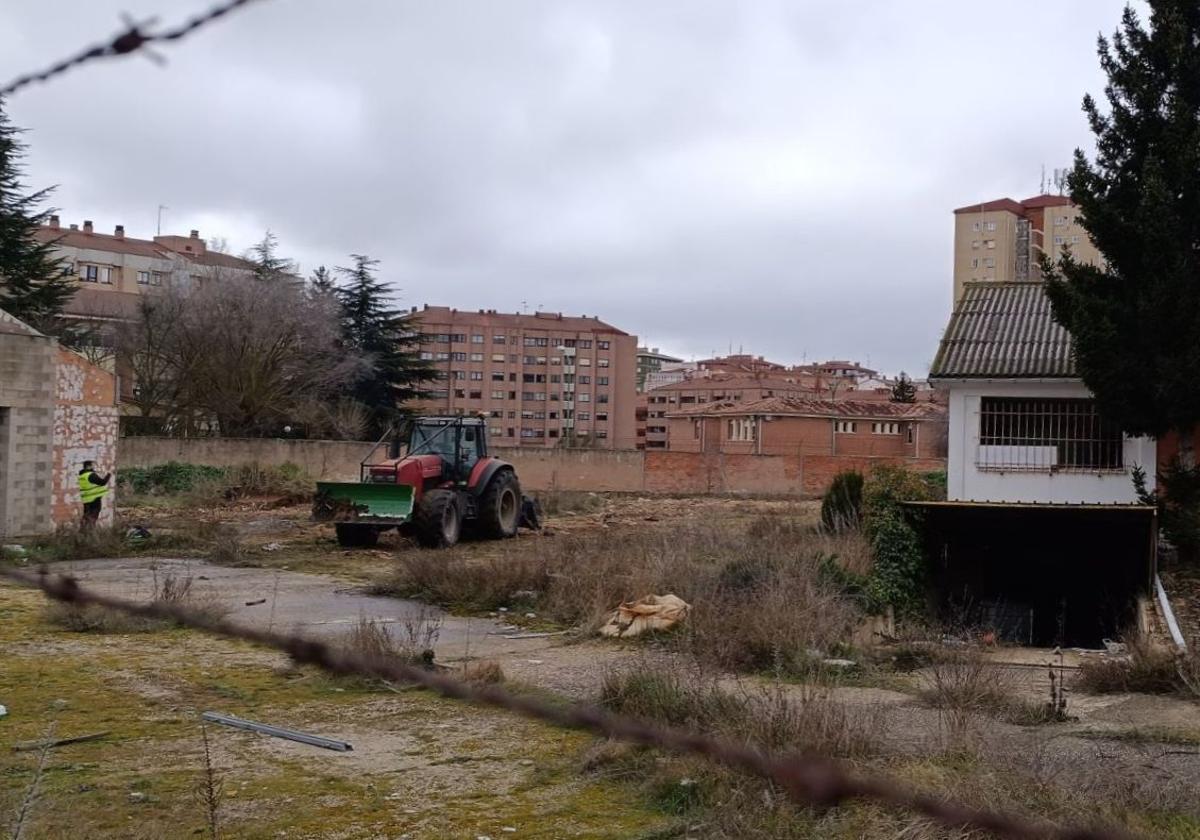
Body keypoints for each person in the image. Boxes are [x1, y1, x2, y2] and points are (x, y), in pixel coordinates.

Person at [78, 460, 112, 528]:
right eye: (92, 465)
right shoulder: (90, 475)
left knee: (86, 518)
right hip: (94, 500)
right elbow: (102, 482)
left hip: (86, 500)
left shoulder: (82, 475)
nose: (94, 466)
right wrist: (109, 474)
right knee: (92, 519)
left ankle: (82, 534)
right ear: (88, 466)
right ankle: (91, 535)